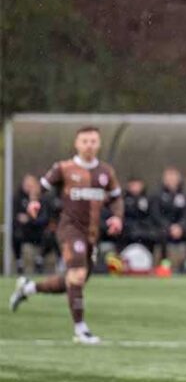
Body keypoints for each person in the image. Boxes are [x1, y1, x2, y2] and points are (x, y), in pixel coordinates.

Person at [9, 126, 123, 343]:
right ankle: (81, 330)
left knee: (73, 281)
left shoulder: (106, 172)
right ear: (76, 144)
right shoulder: (64, 168)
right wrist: (34, 201)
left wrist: (117, 217)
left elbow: (117, 198)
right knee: (77, 274)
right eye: (85, 141)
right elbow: (39, 187)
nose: (89, 145)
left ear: (99, 144)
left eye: (93, 141)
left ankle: (28, 288)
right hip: (70, 229)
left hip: (91, 234)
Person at [12, 173, 57, 274]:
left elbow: (45, 218)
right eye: (27, 185)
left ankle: (40, 260)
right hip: (26, 233)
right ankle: (20, 263)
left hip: (40, 233)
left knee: (50, 236)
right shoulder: (18, 198)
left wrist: (29, 220)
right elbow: (16, 217)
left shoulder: (44, 200)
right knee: (16, 235)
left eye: (31, 185)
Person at [153, 166, 186, 261]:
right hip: (164, 227)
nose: (171, 180)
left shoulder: (184, 196)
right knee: (162, 235)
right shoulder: (158, 196)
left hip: (180, 228)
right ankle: (164, 262)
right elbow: (156, 214)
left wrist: (180, 226)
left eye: (174, 177)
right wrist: (169, 227)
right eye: (169, 178)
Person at [119, 177, 162, 252]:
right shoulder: (123, 200)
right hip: (128, 228)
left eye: (137, 185)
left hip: (145, 228)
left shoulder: (148, 199)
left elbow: (152, 215)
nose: (135, 188)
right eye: (133, 185)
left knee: (152, 235)